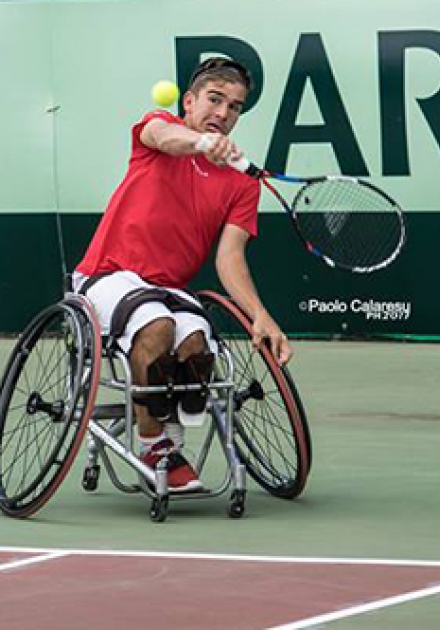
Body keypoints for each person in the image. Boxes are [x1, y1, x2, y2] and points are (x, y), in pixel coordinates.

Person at [73, 57, 292, 493]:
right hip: (108, 277)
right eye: (214, 100)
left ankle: (171, 435)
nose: (223, 114)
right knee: (157, 325)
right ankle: (155, 446)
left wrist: (259, 315)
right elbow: (165, 136)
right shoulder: (159, 129)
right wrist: (199, 144)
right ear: (188, 102)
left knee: (195, 343)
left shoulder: (243, 183)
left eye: (234, 107)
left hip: (170, 290)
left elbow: (230, 258)